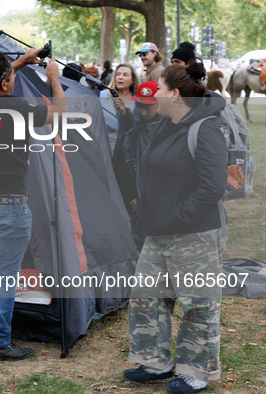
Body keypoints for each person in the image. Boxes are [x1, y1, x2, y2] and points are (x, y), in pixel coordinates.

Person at [123, 58, 228, 394]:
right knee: (146, 297)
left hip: (192, 233)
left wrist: (177, 216)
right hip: (158, 231)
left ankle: (196, 371)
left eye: (161, 89)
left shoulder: (205, 128)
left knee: (198, 303)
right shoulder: (167, 124)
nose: (156, 95)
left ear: (177, 94)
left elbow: (212, 186)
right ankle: (155, 361)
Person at [0, 48, 66, 362]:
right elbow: (60, 112)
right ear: (7, 85)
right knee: (6, 276)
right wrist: (54, 80)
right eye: (11, 75)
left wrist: (19, 62)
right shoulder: (19, 108)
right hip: (8, 206)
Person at [112, 81, 162, 251]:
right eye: (140, 105)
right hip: (134, 191)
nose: (142, 111)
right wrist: (132, 193)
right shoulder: (137, 122)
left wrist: (143, 198)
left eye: (148, 107)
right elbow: (129, 158)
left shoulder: (164, 128)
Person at [99, 63, 141, 154]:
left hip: (127, 150)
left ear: (133, 80)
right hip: (104, 147)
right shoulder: (102, 96)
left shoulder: (138, 101)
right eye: (118, 74)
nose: (120, 77)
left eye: (125, 75)